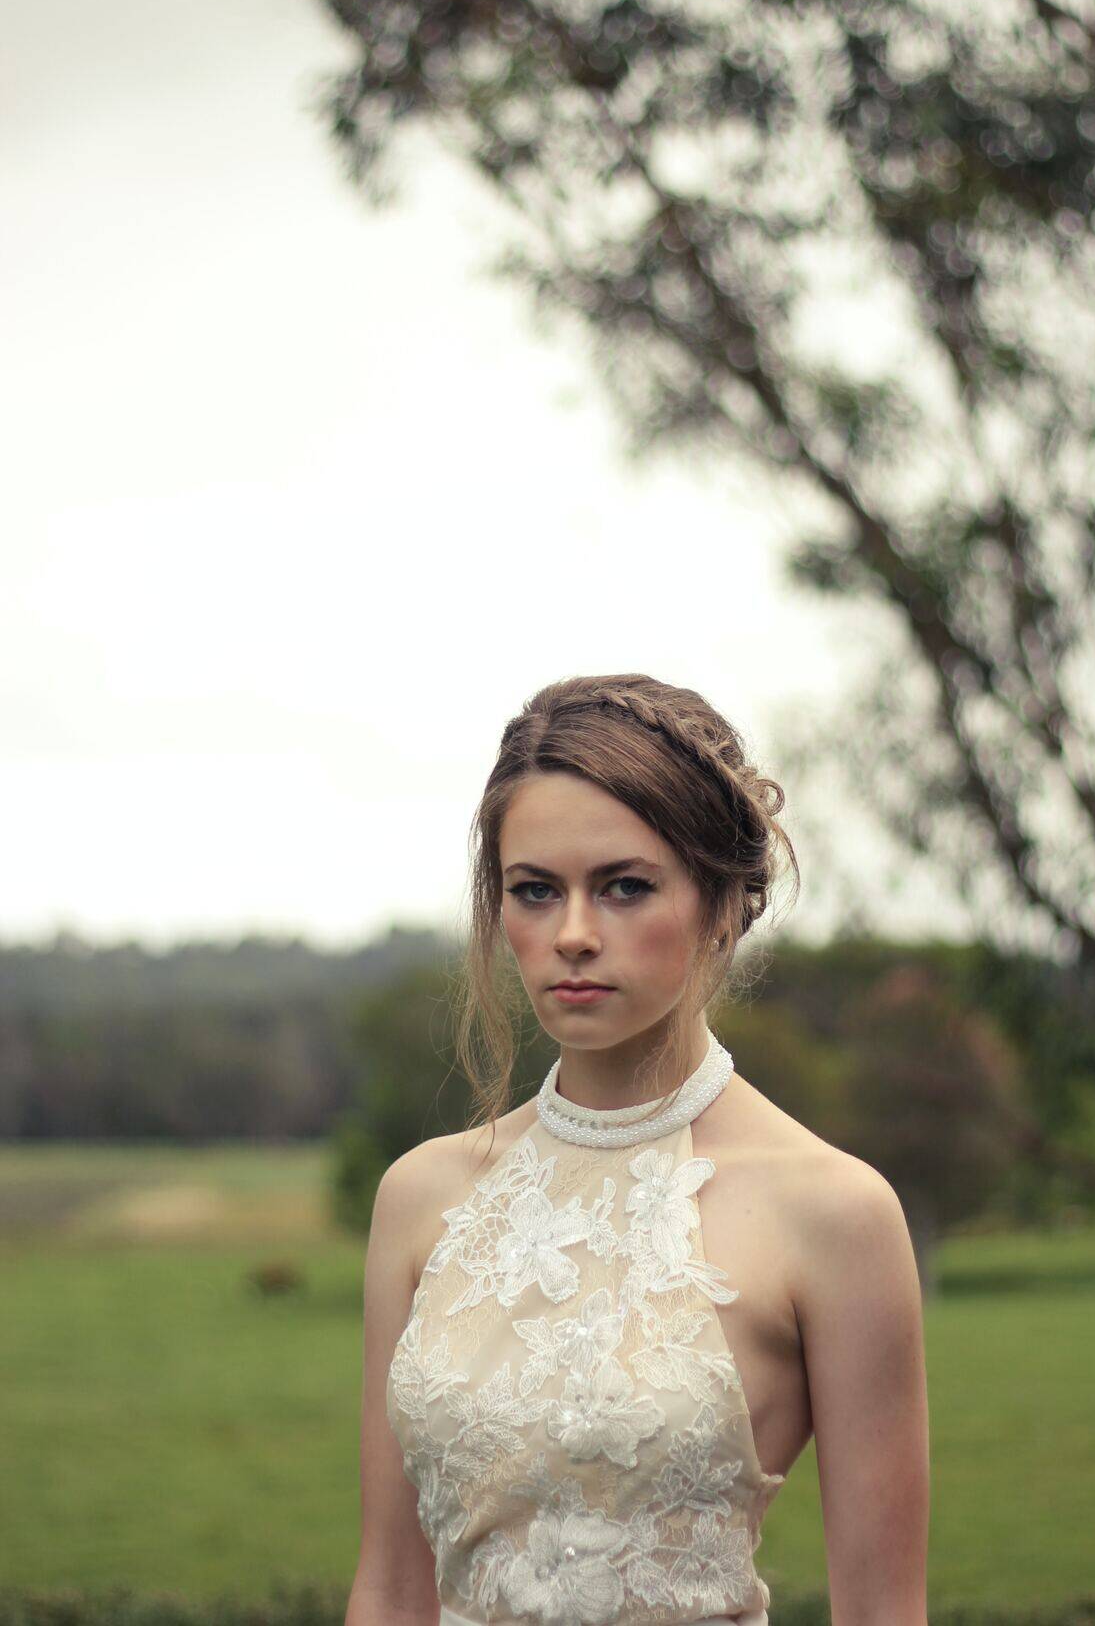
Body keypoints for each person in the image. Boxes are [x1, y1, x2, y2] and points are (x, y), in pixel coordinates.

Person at [347, 675, 929, 1626]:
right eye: (535, 892)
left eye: (624, 886)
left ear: (727, 901)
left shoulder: (834, 1212)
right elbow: (388, 1590)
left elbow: (885, 1611)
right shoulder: (421, 1197)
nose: (573, 935)